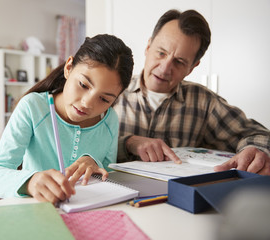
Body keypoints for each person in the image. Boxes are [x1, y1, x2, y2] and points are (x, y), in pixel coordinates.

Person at [114, 9, 270, 175]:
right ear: (148, 46)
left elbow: (259, 134)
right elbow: (83, 141)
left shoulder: (204, 102)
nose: (165, 68)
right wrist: (128, 143)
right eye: (161, 53)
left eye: (179, 61)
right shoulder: (112, 91)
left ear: (192, 67)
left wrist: (255, 149)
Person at [0, 34, 134, 204]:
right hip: (36, 213)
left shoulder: (110, 120)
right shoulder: (33, 107)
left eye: (104, 99)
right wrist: (30, 182)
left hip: (86, 214)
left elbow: (108, 174)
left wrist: (94, 164)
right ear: (69, 67)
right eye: (83, 85)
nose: (86, 103)